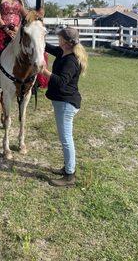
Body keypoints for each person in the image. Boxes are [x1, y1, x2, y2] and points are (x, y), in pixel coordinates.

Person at [41, 27, 88, 187]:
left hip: (66, 104)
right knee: (65, 138)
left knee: (66, 140)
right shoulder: (63, 52)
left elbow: (61, 81)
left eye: (60, 38)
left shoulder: (71, 60)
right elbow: (47, 47)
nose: (58, 40)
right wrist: (37, 35)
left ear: (66, 42)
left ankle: (70, 176)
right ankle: (67, 168)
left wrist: (44, 71)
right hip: (63, 102)